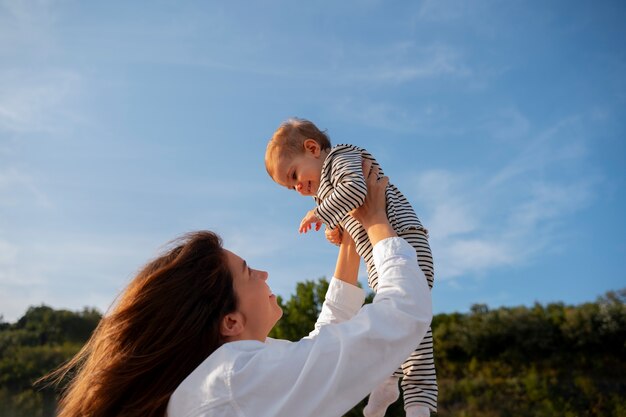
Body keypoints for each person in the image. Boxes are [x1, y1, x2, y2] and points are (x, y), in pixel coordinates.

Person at [42, 160, 432, 417]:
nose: (263, 274)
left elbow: (320, 347)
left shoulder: (223, 381)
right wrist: (378, 222)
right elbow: (402, 316)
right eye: (247, 272)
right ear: (230, 321)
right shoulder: (234, 382)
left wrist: (350, 241)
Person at [265, 118, 438, 417]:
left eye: (294, 174)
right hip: (378, 255)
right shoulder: (325, 186)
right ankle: (387, 378)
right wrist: (336, 229)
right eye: (289, 187)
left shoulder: (341, 158)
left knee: (414, 322)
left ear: (312, 148)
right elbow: (347, 216)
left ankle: (418, 403)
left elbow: (357, 191)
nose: (297, 188)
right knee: (394, 318)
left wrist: (320, 213)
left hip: (405, 242)